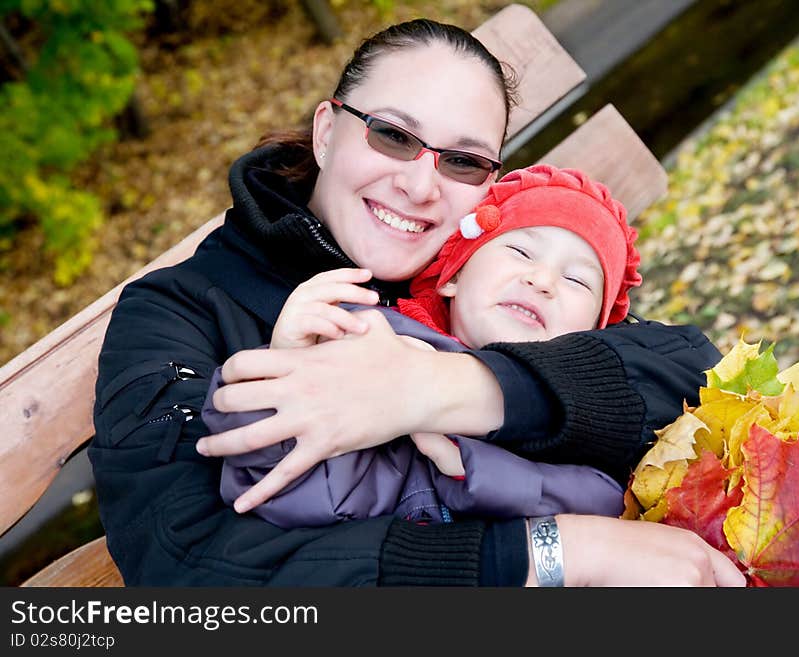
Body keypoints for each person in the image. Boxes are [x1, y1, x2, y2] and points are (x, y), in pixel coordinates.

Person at [89, 17, 746, 586]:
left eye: (463, 162)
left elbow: (688, 368)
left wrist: (435, 384)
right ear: (326, 131)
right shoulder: (179, 315)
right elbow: (194, 569)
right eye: (393, 135)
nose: (421, 186)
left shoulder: (487, 273)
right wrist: (559, 552)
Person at [203, 164, 641, 528]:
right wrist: (285, 367)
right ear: (452, 276)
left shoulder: (578, 409)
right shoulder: (373, 343)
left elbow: (609, 496)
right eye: (522, 253)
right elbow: (279, 490)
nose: (541, 281)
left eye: (577, 280)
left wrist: (472, 466)